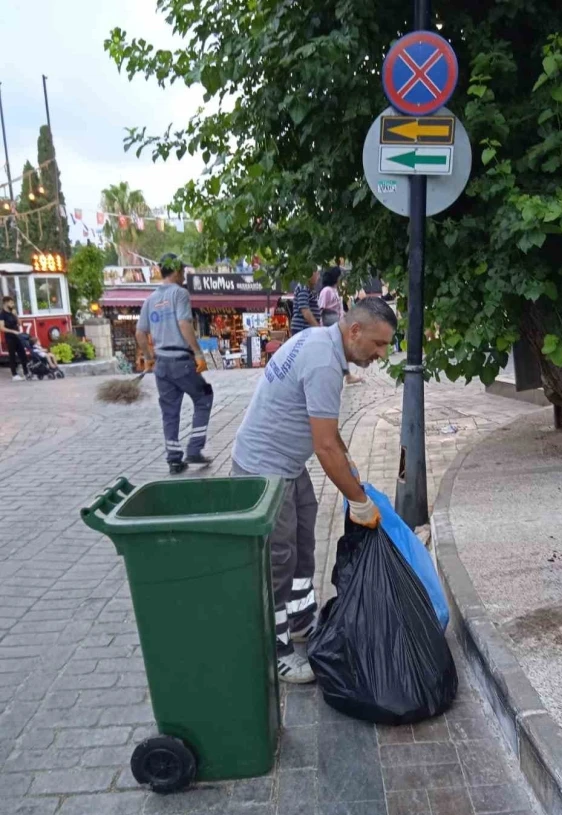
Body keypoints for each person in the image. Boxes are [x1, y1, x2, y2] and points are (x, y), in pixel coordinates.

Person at [231, 296, 398, 683]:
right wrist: (359, 501)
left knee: (303, 543)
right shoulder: (324, 361)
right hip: (264, 471)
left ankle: (302, 621)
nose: (381, 354)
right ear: (354, 331)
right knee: (278, 561)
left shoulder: (320, 342)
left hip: (285, 464)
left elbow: (325, 429)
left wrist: (347, 457)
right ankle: (275, 651)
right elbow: (323, 447)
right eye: (378, 344)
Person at [136, 253, 213, 474]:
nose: (184, 275)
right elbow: (184, 323)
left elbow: (140, 333)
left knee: (170, 412)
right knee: (204, 397)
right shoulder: (180, 293)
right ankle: (195, 449)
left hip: (161, 364)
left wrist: (149, 359)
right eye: (183, 271)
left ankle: (174, 459)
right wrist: (198, 353)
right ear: (177, 271)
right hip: (181, 361)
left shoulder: (150, 300)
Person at [318, 267, 363, 386]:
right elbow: (321, 309)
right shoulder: (327, 291)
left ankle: (346, 374)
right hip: (330, 323)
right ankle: (344, 375)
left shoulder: (334, 290)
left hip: (337, 322)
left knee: (342, 348)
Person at [0, 296, 29, 381]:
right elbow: (2, 328)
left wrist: (16, 315)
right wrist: (12, 331)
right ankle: (14, 375)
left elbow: (20, 324)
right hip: (10, 337)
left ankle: (26, 372)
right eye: (11, 303)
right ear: (6, 303)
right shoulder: (2, 315)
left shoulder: (12, 312)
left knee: (23, 354)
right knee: (12, 355)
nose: (13, 304)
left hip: (17, 336)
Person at [290, 269, 321, 335]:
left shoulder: (308, 289)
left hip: (306, 329)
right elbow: (305, 311)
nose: (319, 276)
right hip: (302, 328)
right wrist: (318, 329)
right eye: (317, 273)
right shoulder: (303, 287)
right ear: (310, 274)